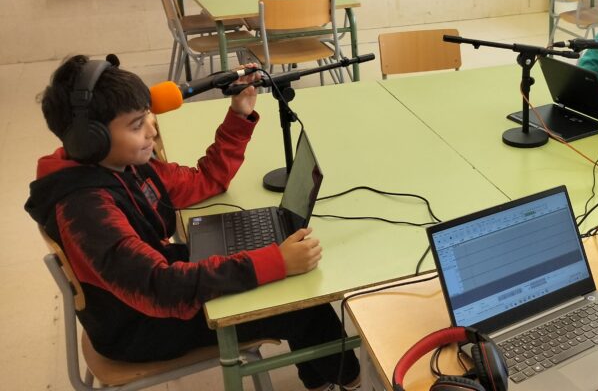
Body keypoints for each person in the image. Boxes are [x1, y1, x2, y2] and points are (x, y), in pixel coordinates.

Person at [25, 55, 360, 391]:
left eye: (148, 116)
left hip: (149, 287)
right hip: (139, 325)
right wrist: (276, 262)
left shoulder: (122, 164)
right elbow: (161, 288)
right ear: (91, 139)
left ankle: (321, 381)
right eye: (136, 125)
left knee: (290, 285)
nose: (152, 130)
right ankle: (352, 382)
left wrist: (239, 115)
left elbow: (205, 180)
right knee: (303, 306)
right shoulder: (86, 211)